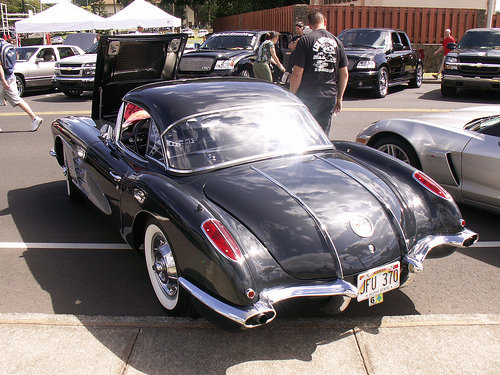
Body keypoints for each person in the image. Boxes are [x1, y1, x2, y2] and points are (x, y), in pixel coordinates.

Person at [289, 10, 348, 136]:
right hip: (329, 94)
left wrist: (292, 94)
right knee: (323, 134)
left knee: (305, 132)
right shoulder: (337, 42)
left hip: (308, 94)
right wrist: (339, 98)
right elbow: (344, 74)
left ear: (309, 25)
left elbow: (297, 73)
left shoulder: (305, 41)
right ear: (325, 22)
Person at [0, 39, 42, 132]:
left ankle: (34, 118)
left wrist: (3, 80)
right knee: (17, 99)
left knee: (16, 99)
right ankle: (34, 117)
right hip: (11, 75)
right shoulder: (5, 44)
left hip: (2, 78)